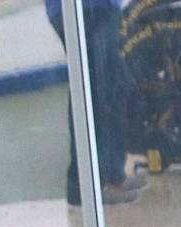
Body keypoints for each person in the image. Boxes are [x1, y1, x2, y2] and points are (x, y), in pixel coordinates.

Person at [45, 0, 145, 206]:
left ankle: (112, 174)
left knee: (113, 89)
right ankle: (90, 186)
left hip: (99, 9)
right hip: (84, 12)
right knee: (95, 96)